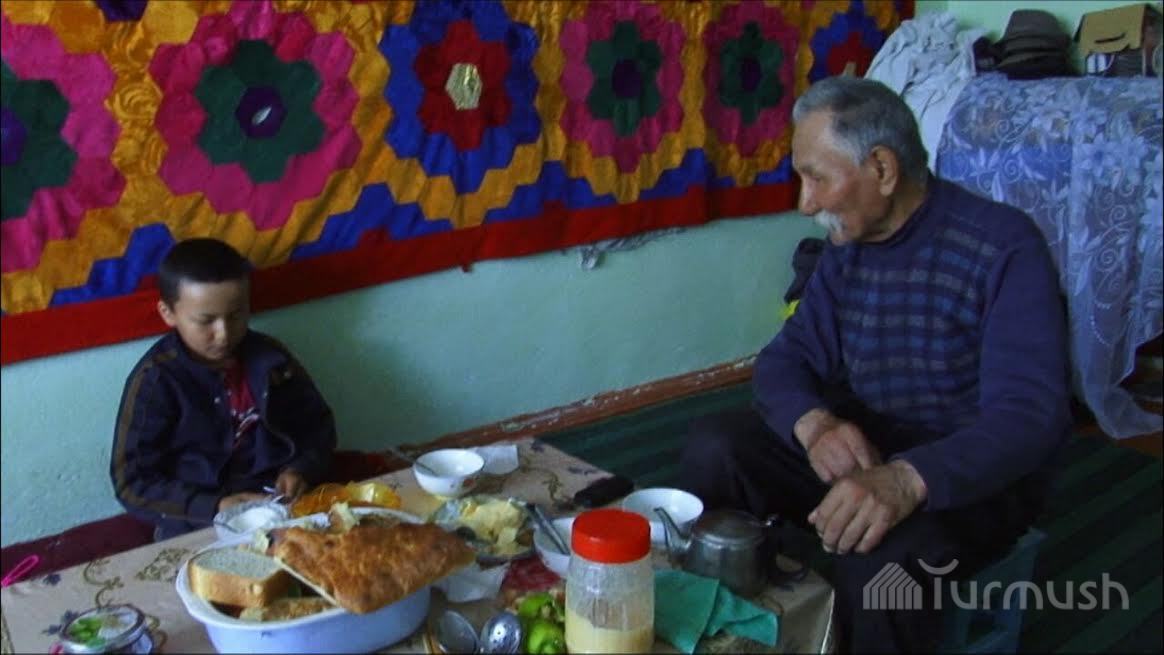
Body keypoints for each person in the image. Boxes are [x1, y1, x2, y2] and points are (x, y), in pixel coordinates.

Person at [680, 76, 1071, 653]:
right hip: (870, 440)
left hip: (968, 469)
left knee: (881, 570)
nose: (805, 203)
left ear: (883, 169)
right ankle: (736, 628)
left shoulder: (1006, 247)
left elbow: (1030, 415)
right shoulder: (848, 249)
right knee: (715, 447)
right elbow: (785, 359)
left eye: (817, 177)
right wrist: (816, 425)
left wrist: (907, 479)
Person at [111, 238, 337, 541]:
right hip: (197, 518)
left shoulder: (272, 360)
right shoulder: (156, 380)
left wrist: (300, 469)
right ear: (168, 313)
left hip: (277, 506)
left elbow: (318, 428)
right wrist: (215, 506)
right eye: (206, 321)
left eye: (236, 315)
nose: (224, 334)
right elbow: (131, 482)